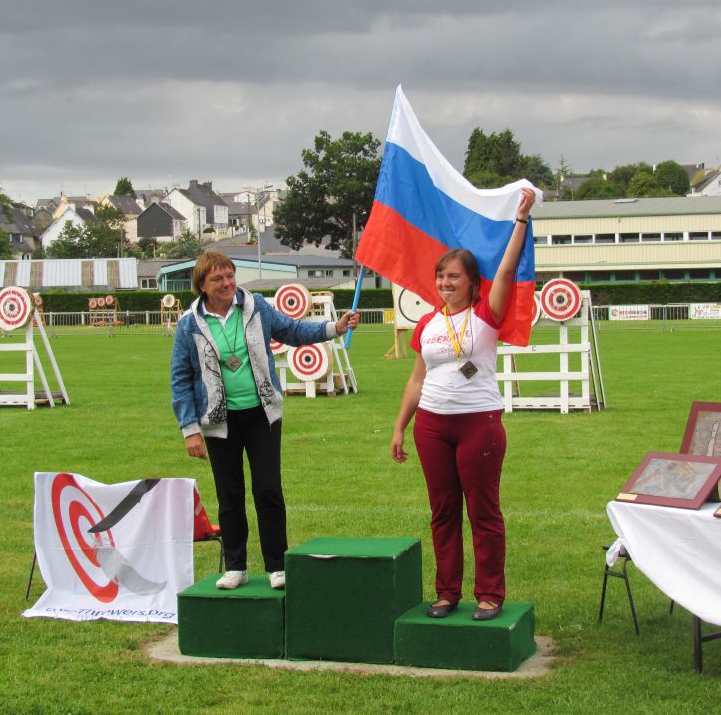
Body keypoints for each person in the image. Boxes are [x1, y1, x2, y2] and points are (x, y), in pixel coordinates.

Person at [171, 251, 360, 590]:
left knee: (268, 489)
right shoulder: (189, 324)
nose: (228, 283)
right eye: (218, 279)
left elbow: (293, 331)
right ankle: (236, 566)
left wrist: (335, 327)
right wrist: (190, 430)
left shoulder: (256, 306)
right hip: (218, 421)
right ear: (202, 285)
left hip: (262, 415)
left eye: (230, 275)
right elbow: (180, 378)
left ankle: (276, 565)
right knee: (229, 496)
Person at [390, 188, 536, 620]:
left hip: (478, 424)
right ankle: (447, 593)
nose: (445, 283)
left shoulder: (486, 313)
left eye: (454, 277)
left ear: (472, 282)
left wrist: (521, 221)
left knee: (484, 512)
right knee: (443, 512)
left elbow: (507, 270)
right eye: (441, 277)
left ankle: (490, 594)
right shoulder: (428, 324)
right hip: (432, 426)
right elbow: (417, 378)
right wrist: (400, 427)